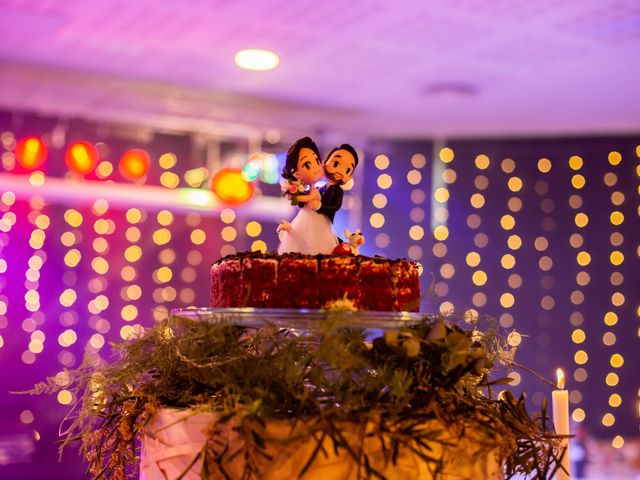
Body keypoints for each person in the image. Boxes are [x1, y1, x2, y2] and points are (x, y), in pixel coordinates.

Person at [277, 137, 339, 255]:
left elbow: (309, 198)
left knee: (316, 244)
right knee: (302, 240)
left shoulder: (316, 191)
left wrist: (295, 197)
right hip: (306, 218)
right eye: (307, 164)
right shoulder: (310, 189)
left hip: (317, 221)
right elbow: (303, 202)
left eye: (317, 161)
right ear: (296, 174)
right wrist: (294, 195)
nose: (316, 167)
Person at [317, 144, 359, 224]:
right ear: (324, 162)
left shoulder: (338, 191)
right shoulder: (322, 186)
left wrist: (319, 206)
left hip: (325, 222)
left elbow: (335, 206)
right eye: (335, 164)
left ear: (350, 177)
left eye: (347, 170)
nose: (339, 171)